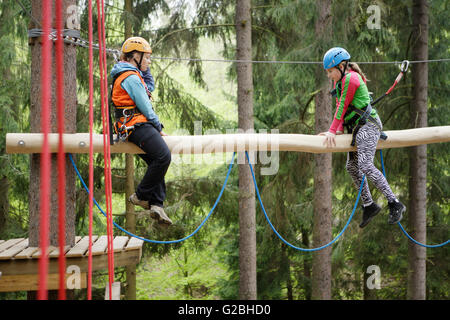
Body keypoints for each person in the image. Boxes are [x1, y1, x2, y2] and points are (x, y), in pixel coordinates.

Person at [319, 47, 406, 228]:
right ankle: (369, 205)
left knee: (365, 164)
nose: (329, 75)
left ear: (341, 66)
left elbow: (342, 106)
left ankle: (394, 202)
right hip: (357, 129)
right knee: (351, 166)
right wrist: (337, 130)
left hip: (368, 126)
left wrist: (332, 131)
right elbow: (341, 108)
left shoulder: (351, 78)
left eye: (330, 71)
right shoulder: (340, 83)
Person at [110, 36, 172, 226]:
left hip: (135, 124)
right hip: (136, 125)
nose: (149, 61)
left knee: (156, 160)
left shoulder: (133, 75)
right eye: (146, 57)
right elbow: (145, 106)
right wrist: (158, 126)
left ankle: (156, 204)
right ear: (135, 56)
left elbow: (149, 87)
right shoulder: (130, 77)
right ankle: (141, 195)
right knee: (163, 157)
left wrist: (144, 67)